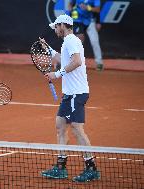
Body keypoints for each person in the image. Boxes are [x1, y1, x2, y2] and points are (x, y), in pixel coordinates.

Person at [40, 14, 100, 182]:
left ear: (63, 25)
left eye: (56, 27)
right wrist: (49, 50)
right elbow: (63, 58)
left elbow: (77, 61)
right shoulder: (67, 42)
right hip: (70, 94)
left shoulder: (72, 40)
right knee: (60, 125)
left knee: (76, 129)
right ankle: (60, 167)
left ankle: (91, 168)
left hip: (76, 93)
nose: (55, 31)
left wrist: (56, 74)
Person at [68, 0, 104, 71]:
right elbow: (70, 5)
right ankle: (75, 63)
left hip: (90, 21)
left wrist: (88, 8)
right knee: (78, 42)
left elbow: (97, 9)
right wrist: (71, 11)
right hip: (78, 21)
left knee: (95, 42)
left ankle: (99, 63)